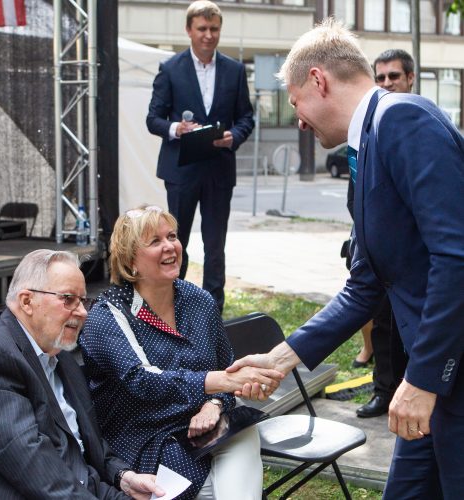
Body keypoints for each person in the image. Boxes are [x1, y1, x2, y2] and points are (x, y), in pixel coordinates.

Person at [227, 19, 464, 498]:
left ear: (318, 81)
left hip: (445, 377)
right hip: (424, 386)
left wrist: (423, 379)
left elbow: (456, 257)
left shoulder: (404, 121)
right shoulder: (368, 144)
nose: (297, 118)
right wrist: (280, 358)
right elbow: (366, 285)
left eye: (295, 102)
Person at [78, 205, 282, 500]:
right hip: (143, 439)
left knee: (242, 433)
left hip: (201, 430)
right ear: (130, 259)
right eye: (155, 241)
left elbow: (225, 369)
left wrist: (213, 404)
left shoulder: (198, 300)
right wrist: (222, 383)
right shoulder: (108, 315)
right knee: (222, 486)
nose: (170, 246)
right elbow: (143, 380)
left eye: (171, 236)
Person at [0, 249, 164, 499]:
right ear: (27, 301)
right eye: (68, 299)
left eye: (82, 300)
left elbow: (86, 441)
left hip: (82, 485)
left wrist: (123, 477)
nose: (82, 312)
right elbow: (27, 460)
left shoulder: (60, 353)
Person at [146, 0, 254, 312]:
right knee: (174, 245)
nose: (208, 35)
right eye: (202, 29)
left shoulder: (234, 70)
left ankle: (212, 311)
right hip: (181, 171)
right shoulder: (170, 69)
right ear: (189, 31)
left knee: (215, 246)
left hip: (219, 170)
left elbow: (246, 117)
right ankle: (172, 308)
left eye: (214, 29)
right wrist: (176, 128)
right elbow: (153, 119)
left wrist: (236, 135)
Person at [354, 49, 414, 418]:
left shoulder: (416, 124)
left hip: (411, 255)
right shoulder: (366, 132)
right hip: (375, 249)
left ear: (410, 79)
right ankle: (383, 391)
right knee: (381, 323)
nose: (388, 83)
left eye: (394, 76)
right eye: (381, 78)